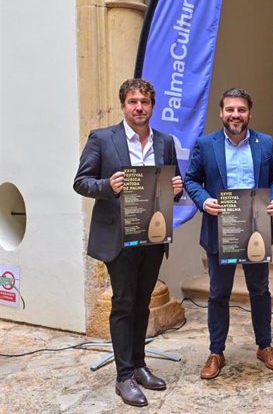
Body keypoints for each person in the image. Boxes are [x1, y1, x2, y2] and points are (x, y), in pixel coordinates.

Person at [73, 78, 183, 407]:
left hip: (151, 236)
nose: (139, 107)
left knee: (141, 304)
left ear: (152, 106)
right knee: (123, 303)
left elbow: (170, 185)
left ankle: (139, 365)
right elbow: (81, 182)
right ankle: (124, 377)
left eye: (145, 102)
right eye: (133, 101)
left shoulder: (164, 142)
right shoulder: (102, 138)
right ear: (123, 104)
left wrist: (176, 190)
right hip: (118, 238)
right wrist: (108, 185)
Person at [184, 87, 273, 380]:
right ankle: (216, 352)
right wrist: (203, 200)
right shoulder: (206, 144)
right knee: (218, 293)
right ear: (221, 112)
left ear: (249, 113)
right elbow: (192, 180)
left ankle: (264, 346)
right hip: (220, 230)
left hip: (256, 229)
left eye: (241, 109)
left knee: (260, 291)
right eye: (230, 109)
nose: (235, 115)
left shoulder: (264, 143)